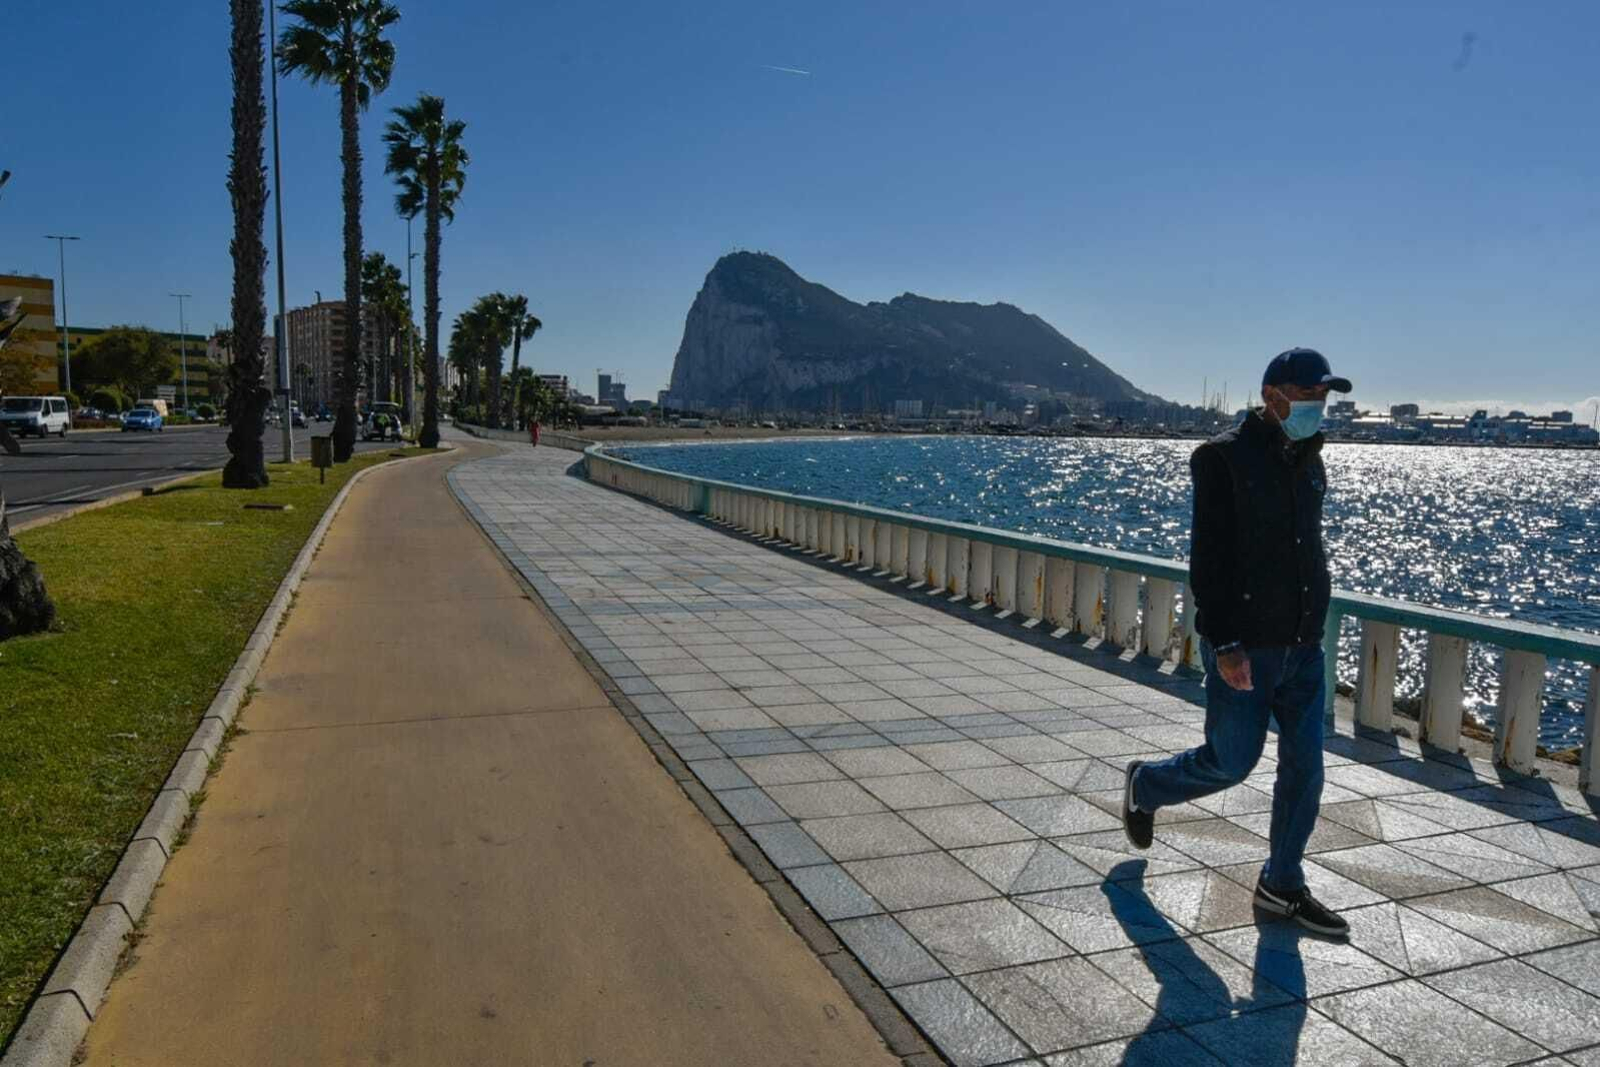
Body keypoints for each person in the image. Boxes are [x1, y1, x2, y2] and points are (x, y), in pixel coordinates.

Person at [1122, 347, 1353, 938]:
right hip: (1246, 646)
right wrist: (1223, 642)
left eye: (1323, 398)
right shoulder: (1221, 459)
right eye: (1308, 397)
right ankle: (1146, 785)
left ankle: (1283, 883)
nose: (1317, 408)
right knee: (1231, 762)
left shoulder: (1311, 459)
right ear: (1273, 396)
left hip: (1303, 646)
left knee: (1306, 769)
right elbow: (1210, 559)